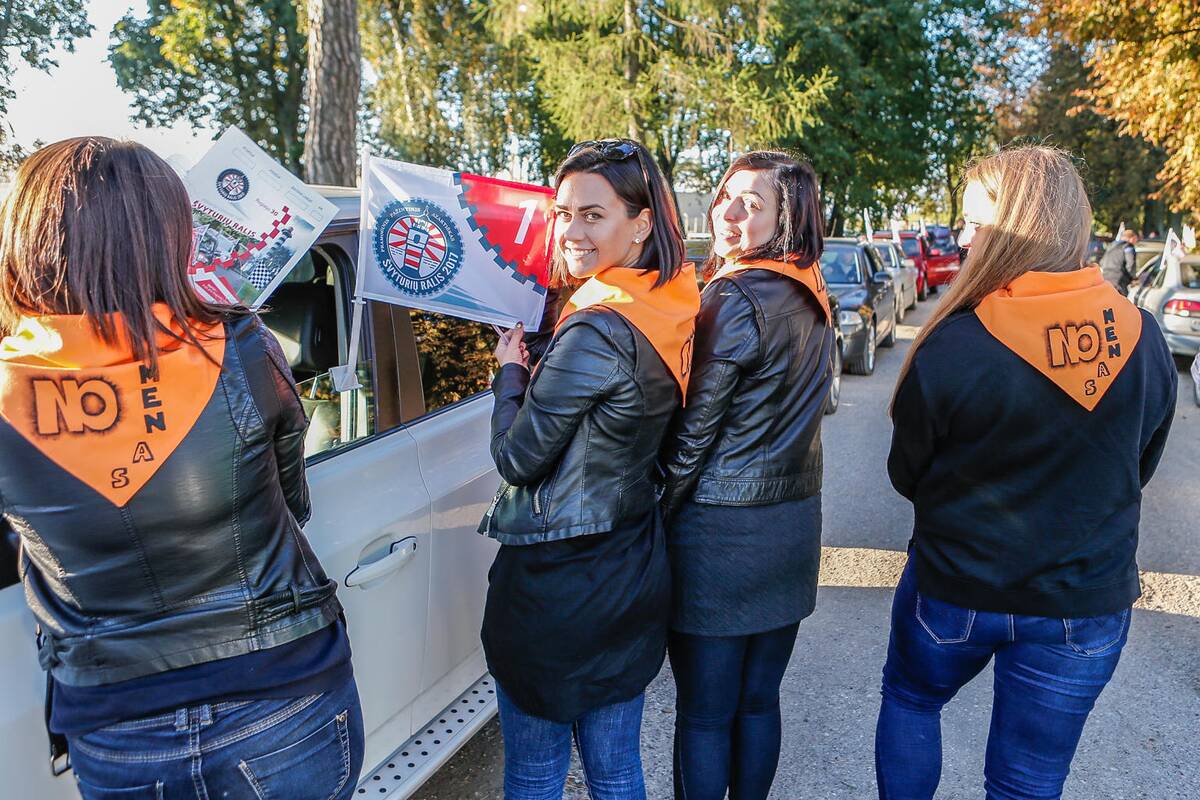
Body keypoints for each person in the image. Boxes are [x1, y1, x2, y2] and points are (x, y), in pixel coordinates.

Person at [0, 137, 364, 799]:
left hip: (115, 721)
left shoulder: (6, 391)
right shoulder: (242, 348)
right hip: (280, 688)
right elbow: (292, 503)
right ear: (168, 237)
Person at [876, 145, 1176, 799]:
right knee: (1027, 782)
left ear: (1015, 228)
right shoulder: (1142, 337)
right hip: (1082, 600)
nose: (962, 238)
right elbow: (1140, 464)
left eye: (973, 223)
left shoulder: (955, 342)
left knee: (911, 701)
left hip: (956, 586)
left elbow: (907, 473)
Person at [478, 138, 700, 800]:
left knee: (537, 773)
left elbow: (517, 457)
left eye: (593, 215)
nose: (571, 231)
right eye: (564, 213)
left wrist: (510, 374)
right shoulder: (669, 301)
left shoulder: (597, 327)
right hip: (629, 564)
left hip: (559, 587)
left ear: (642, 222)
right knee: (616, 769)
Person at [657, 151, 833, 800]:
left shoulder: (734, 296)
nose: (726, 213)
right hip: (790, 529)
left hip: (719, 536)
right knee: (758, 700)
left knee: (705, 714)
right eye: (725, 196)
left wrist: (652, 517)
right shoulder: (812, 290)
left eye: (751, 204)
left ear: (790, 218)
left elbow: (691, 437)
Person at [1100, 227, 1139, 292]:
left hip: (1105, 279)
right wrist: (1133, 278)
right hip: (1119, 281)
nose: (1135, 242)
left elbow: (1102, 262)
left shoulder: (1111, 246)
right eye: (1136, 239)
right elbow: (1131, 264)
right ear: (1132, 238)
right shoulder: (1128, 247)